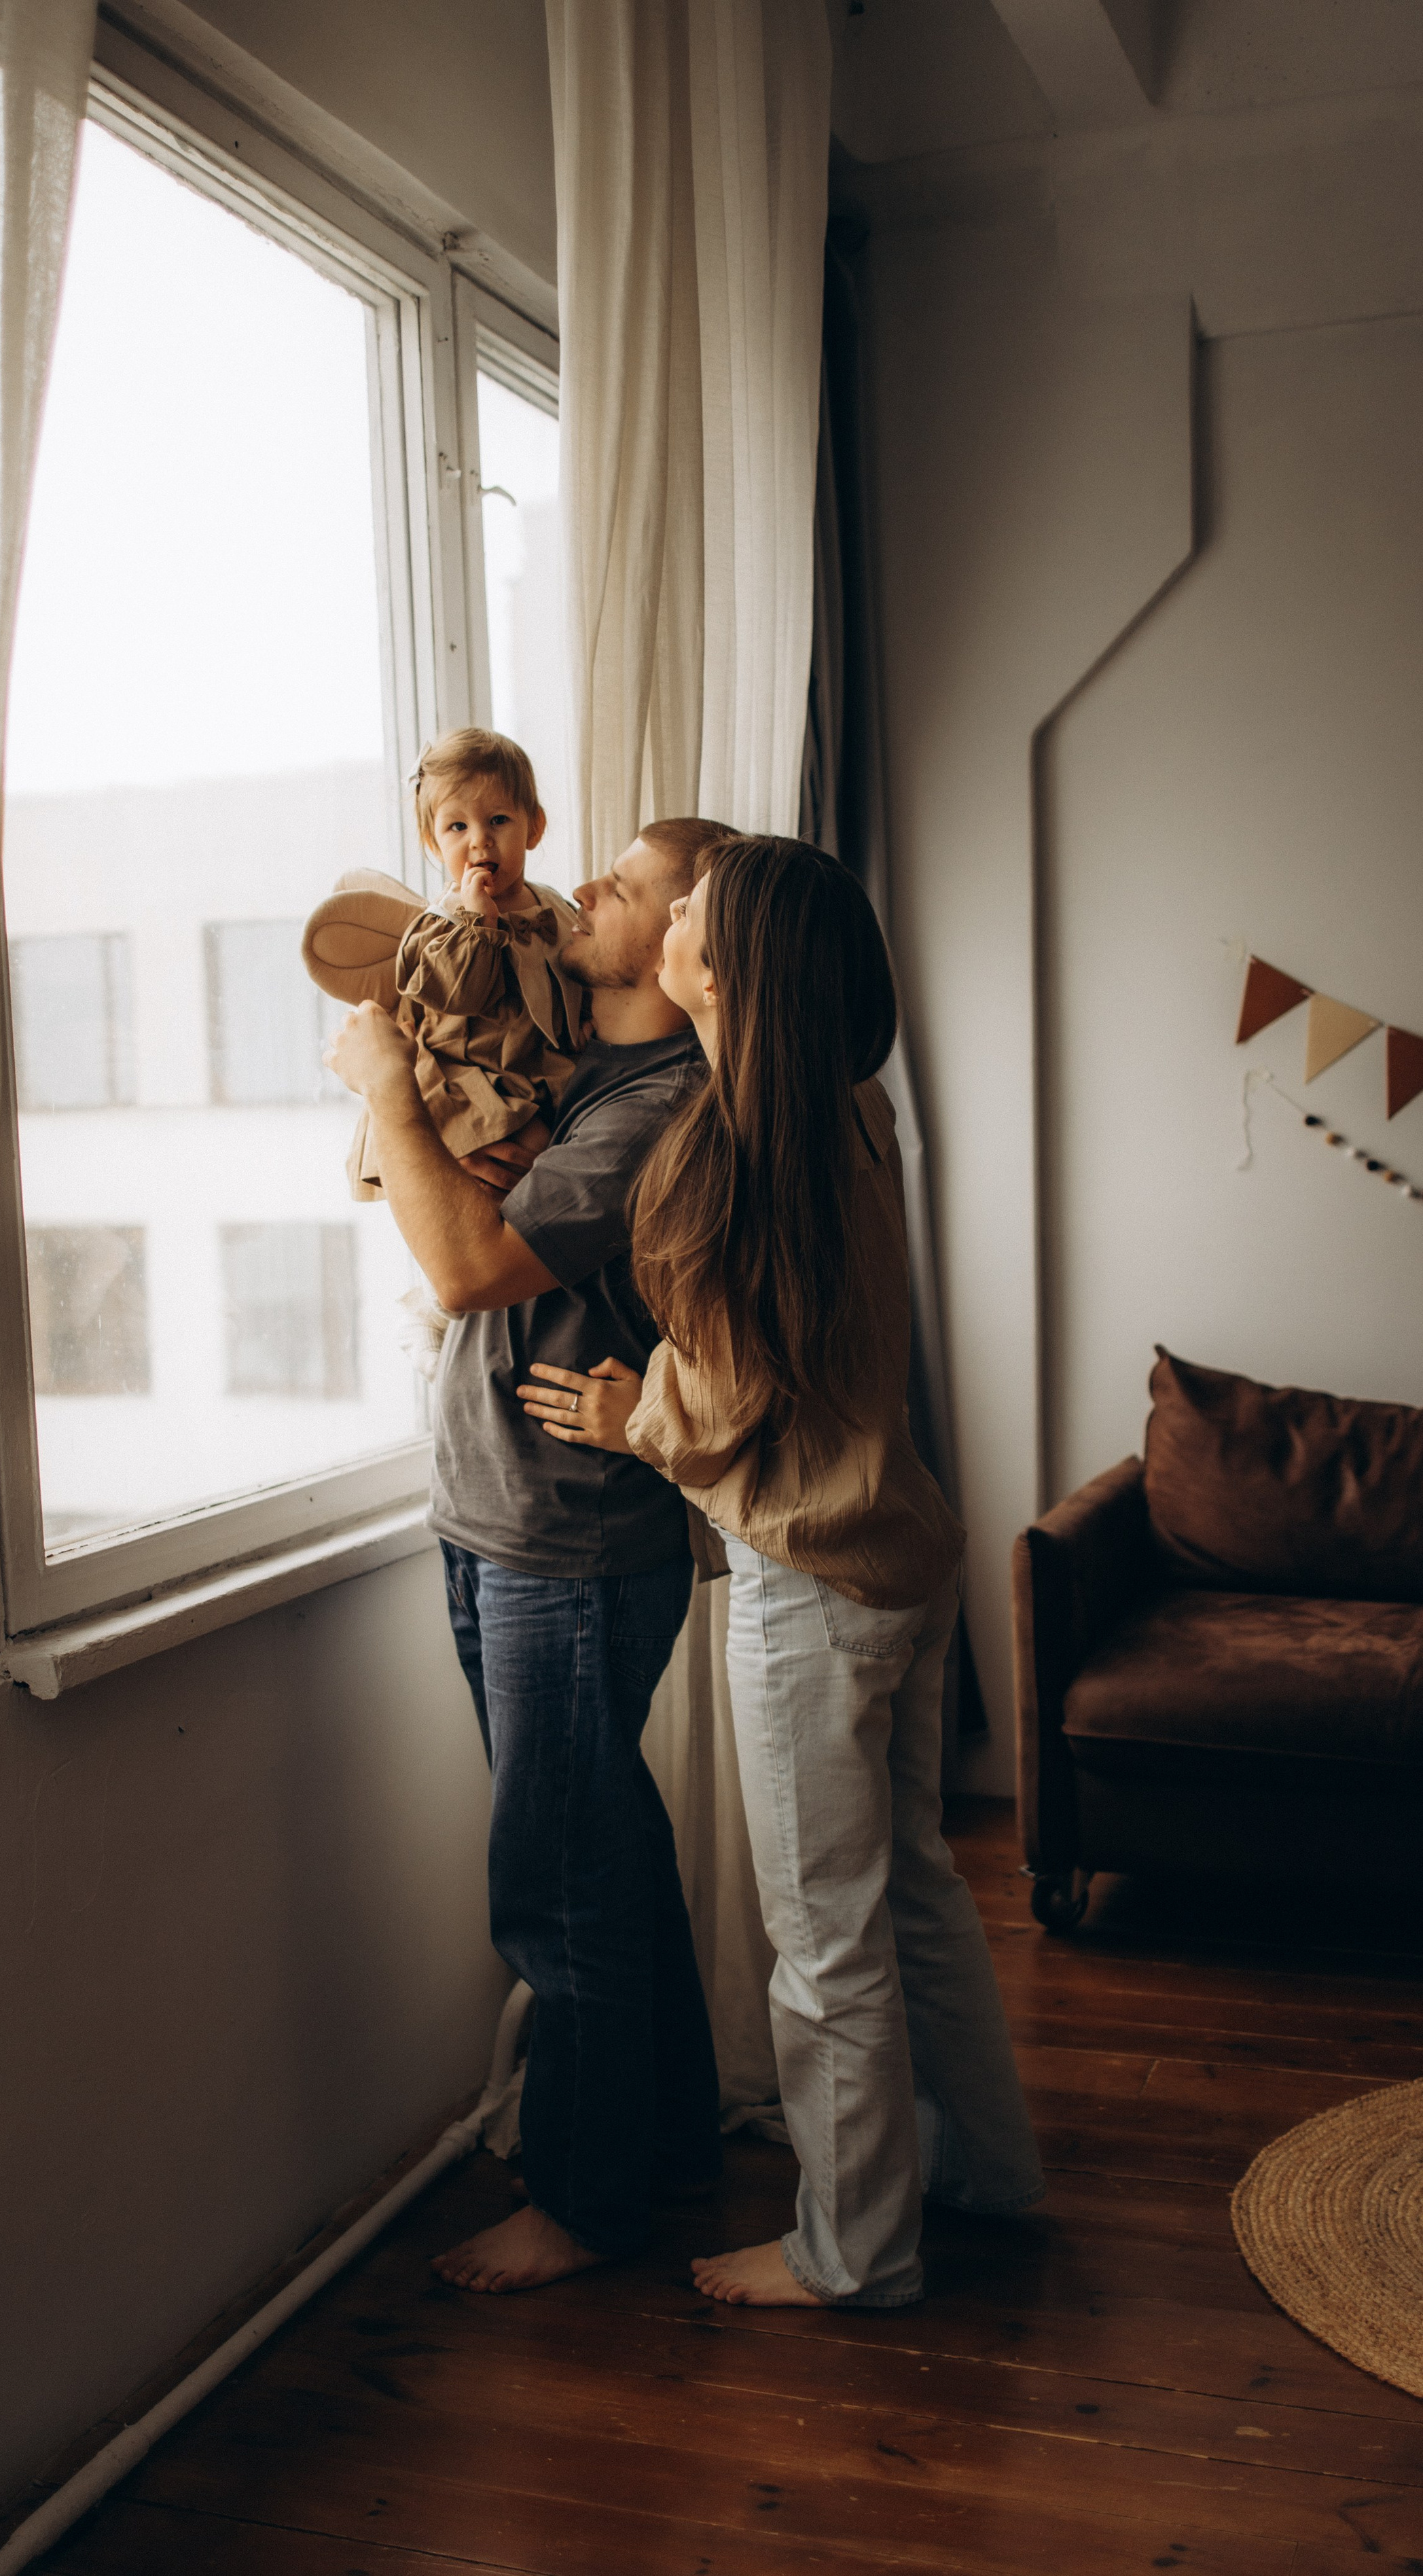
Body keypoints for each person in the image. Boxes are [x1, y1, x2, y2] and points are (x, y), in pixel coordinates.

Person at [518, 835, 1043, 2309]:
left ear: (726, 971)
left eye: (686, 909)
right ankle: (983, 2170)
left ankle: (852, 2252)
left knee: (821, 1942)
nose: (667, 917)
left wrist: (637, 1413)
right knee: (917, 1891)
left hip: (811, 1575)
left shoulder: (726, 1156)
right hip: (902, 1546)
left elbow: (735, 1391)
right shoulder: (844, 1109)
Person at [325, 817, 729, 2293]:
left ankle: (584, 2202)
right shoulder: (588, 1072)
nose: (589, 891)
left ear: (685, 945)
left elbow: (472, 1266)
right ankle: (667, 2139)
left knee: (556, 1879)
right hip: (504, 1517)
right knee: (607, 1854)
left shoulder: (657, 1104)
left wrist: (385, 1096)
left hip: (563, 1542)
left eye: (623, 887)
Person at [302, 728, 583, 1203]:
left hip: (538, 1068)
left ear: (533, 827)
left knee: (554, 1153)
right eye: (457, 828)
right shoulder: (443, 923)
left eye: (498, 820)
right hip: (470, 1078)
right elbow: (460, 994)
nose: (480, 843)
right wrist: (478, 923)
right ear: (433, 844)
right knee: (491, 1179)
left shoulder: (552, 907)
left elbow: (575, 970)